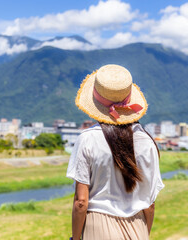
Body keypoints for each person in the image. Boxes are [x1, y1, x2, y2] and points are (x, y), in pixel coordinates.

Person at [67, 64, 164, 240]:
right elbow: (149, 205)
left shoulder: (87, 139)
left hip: (97, 226)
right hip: (137, 227)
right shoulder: (148, 142)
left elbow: (81, 202)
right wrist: (143, 233)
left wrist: (75, 238)